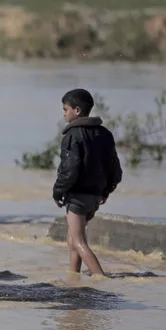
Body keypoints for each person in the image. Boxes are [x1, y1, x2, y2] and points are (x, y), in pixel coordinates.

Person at [52, 88, 123, 276]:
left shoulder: (72, 136)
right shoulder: (105, 134)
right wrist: (106, 191)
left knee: (77, 241)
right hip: (94, 196)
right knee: (72, 238)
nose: (63, 112)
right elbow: (115, 169)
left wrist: (58, 191)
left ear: (77, 110)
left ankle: (100, 277)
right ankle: (74, 277)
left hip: (76, 196)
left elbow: (70, 168)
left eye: (65, 109)